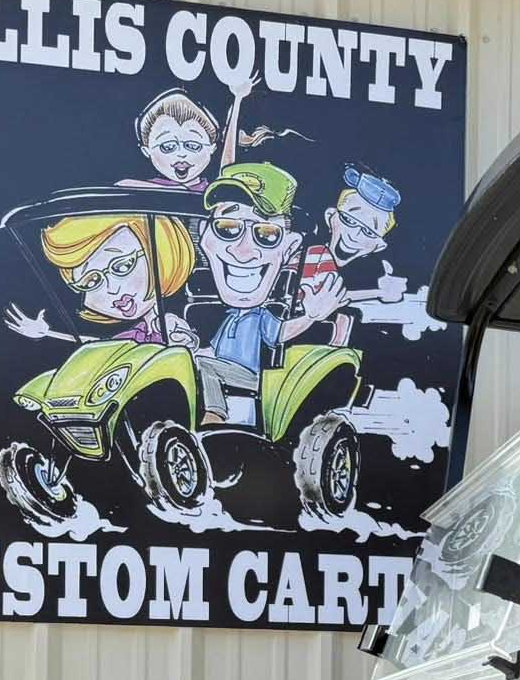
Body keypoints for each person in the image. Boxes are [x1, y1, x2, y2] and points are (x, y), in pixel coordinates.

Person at [193, 161, 346, 423]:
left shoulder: (260, 317)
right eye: (227, 228)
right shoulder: (231, 317)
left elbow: (280, 333)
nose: (243, 251)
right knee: (197, 362)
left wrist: (310, 316)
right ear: (204, 234)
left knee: (206, 367)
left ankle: (215, 414)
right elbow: (213, 350)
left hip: (249, 377)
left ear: (290, 246)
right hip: (224, 371)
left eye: (266, 234)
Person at [4, 213, 196, 346]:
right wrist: (47, 333)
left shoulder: (165, 324)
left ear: (162, 251)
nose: (112, 289)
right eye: (91, 282)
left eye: (122, 266)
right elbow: (97, 346)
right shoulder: (135, 333)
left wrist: (182, 340)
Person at [121, 76, 293, 192]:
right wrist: (177, 190)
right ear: (147, 150)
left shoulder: (211, 191)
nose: (181, 154)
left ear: (211, 148)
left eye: (193, 146)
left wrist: (238, 100)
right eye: (168, 146)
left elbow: (227, 168)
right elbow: (123, 184)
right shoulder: (145, 188)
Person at [299, 165, 406, 346]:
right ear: (331, 216)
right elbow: (329, 298)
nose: (354, 236)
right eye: (348, 220)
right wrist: (380, 293)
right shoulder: (314, 254)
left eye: (369, 232)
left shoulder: (369, 273)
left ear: (379, 246)